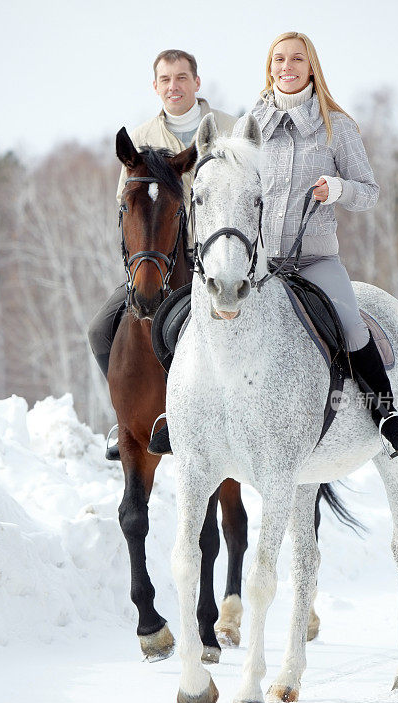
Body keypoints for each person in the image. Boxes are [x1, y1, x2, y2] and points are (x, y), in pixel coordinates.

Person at [233, 31, 398, 457]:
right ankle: (185, 413)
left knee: (350, 322)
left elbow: (369, 192)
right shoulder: (250, 127)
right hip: (259, 262)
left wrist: (337, 189)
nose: (287, 67)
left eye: (297, 59)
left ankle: (387, 416)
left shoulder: (337, 126)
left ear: (311, 67)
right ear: (269, 68)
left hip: (314, 259)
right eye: (278, 59)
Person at [87, 49, 236, 458]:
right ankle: (127, 420)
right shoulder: (140, 137)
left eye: (182, 77)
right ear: (156, 86)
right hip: (158, 263)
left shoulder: (228, 128)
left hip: (221, 260)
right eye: (166, 79)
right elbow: (126, 205)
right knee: (100, 328)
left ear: (196, 83)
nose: (174, 86)